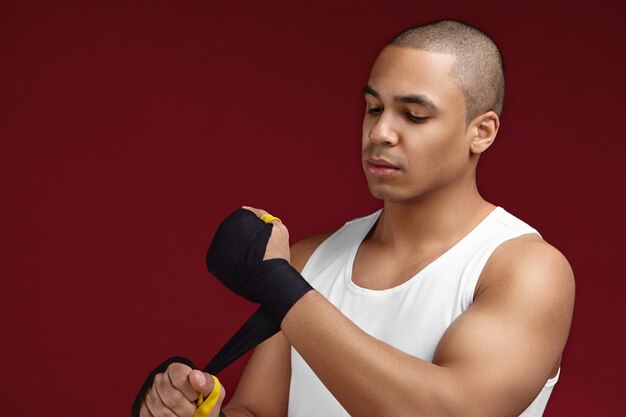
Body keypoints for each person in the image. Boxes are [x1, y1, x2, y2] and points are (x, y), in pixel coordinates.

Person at [138, 19, 575, 417]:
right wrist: (193, 413)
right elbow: (256, 411)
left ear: (481, 132)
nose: (380, 132)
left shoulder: (525, 269)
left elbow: (451, 411)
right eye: (373, 108)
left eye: (414, 115)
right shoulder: (308, 260)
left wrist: (280, 287)